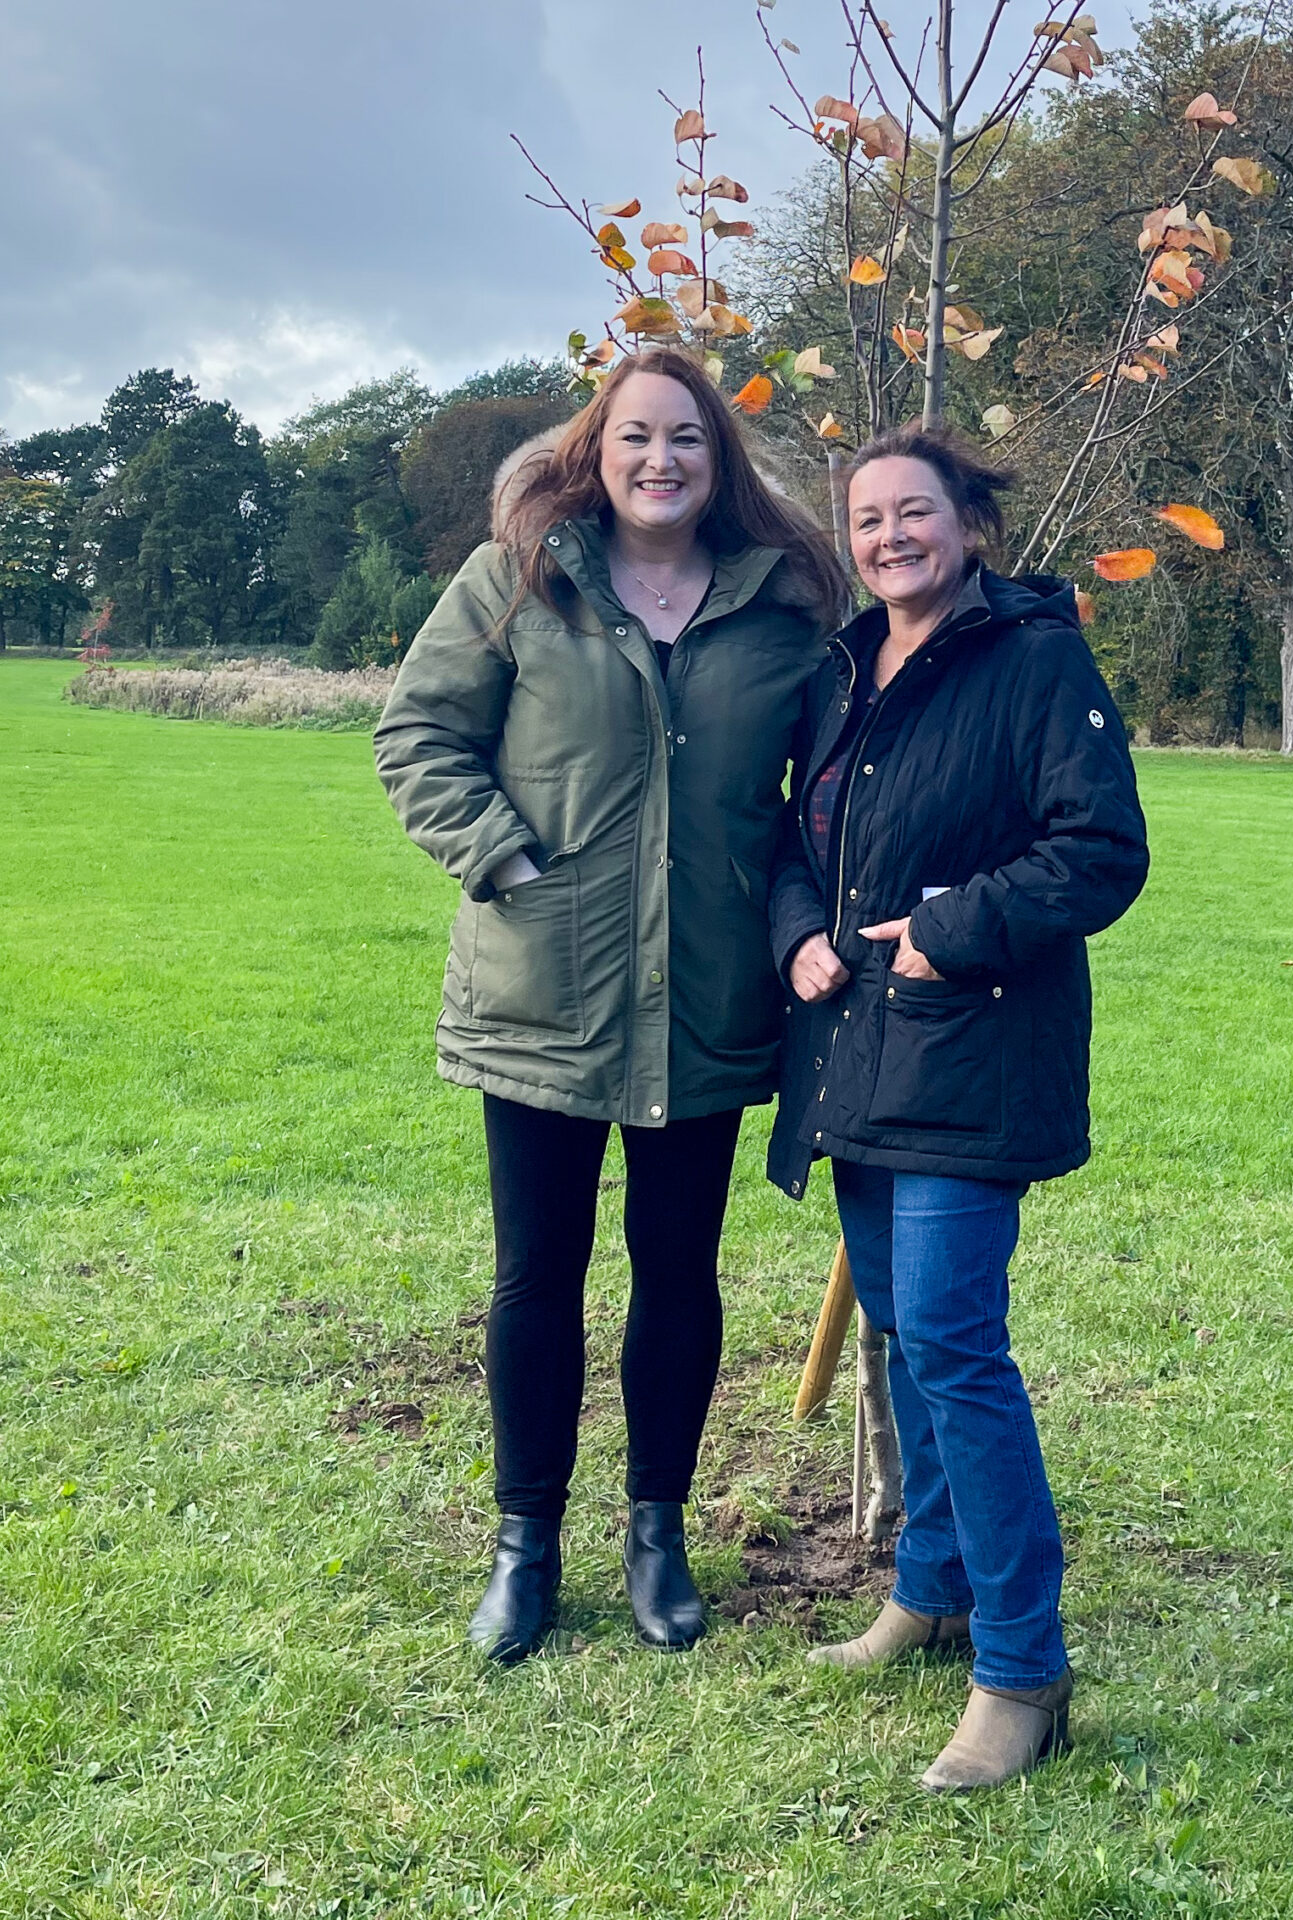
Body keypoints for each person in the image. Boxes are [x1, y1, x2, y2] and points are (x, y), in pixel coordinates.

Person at [375, 349, 843, 1665]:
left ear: (718, 461)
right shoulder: (521, 577)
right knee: (538, 1274)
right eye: (636, 436)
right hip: (545, 989)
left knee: (677, 1270)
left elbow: (832, 790)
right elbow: (417, 736)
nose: (660, 460)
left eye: (686, 440)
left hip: (705, 995)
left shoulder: (782, 609)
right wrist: (508, 859)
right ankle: (525, 1546)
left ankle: (657, 1532)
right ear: (598, 447)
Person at [766, 421, 1149, 1789]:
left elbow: (1102, 850)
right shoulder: (842, 674)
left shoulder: (1035, 657)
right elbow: (794, 840)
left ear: (968, 525)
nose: (887, 539)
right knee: (898, 1332)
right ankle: (927, 1592)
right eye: (865, 522)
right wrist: (799, 932)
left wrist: (953, 925)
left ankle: (1023, 1672)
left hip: (973, 1050)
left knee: (950, 1338)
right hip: (857, 1052)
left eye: (912, 514)